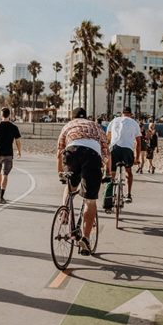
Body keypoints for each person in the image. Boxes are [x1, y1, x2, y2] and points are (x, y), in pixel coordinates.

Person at [57, 107, 110, 256]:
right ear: (86, 117)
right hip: (92, 155)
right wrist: (106, 172)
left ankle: (65, 212)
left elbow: (59, 152)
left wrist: (61, 174)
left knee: (70, 185)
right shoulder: (96, 126)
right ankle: (85, 240)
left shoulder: (68, 126)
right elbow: (106, 152)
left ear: (72, 118)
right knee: (90, 200)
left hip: (71, 152)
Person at [104, 106, 141, 210]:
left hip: (114, 148)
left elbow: (108, 138)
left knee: (112, 173)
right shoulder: (134, 123)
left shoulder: (114, 121)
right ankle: (128, 195)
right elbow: (138, 143)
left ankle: (109, 197)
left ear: (122, 113)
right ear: (131, 114)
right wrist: (137, 158)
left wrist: (107, 155)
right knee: (128, 172)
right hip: (127, 150)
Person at [0, 107, 22, 204]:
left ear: (1, 115)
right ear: (9, 115)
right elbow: (18, 142)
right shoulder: (14, 127)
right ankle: (1, 197)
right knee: (5, 175)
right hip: (8, 154)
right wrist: (19, 151)